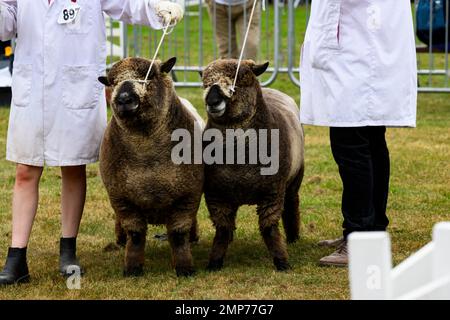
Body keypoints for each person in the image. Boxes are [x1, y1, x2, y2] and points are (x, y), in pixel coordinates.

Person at [0, 0, 184, 286]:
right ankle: (16, 257)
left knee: (72, 167)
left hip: (75, 86)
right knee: (26, 169)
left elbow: (126, 4)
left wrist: (158, 8)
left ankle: (68, 250)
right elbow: (5, 25)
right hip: (33, 83)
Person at [299, 0, 417, 266]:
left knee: (352, 144)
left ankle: (360, 236)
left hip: (360, 47)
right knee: (369, 140)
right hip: (361, 43)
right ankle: (371, 229)